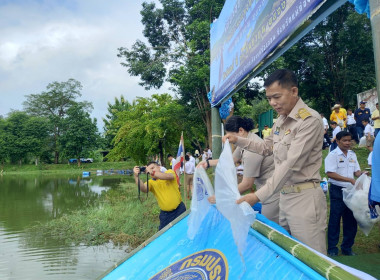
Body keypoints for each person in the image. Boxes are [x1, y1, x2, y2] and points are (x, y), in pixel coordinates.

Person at [224, 69, 327, 254]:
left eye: (276, 97)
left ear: (294, 91)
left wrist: (257, 196)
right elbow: (265, 148)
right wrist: (238, 140)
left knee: (311, 258)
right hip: (283, 197)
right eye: (269, 98)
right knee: (285, 254)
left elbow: (290, 164)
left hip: (304, 199)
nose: (272, 103)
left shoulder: (309, 121)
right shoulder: (280, 120)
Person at [199, 116, 279, 224]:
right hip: (265, 188)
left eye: (229, 137)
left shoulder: (252, 151)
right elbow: (231, 160)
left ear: (241, 131)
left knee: (272, 225)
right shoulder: (244, 142)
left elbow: (247, 184)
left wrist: (222, 197)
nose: (229, 141)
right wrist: (207, 163)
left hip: (272, 191)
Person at [325, 131, 364, 256]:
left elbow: (356, 171)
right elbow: (330, 173)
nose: (348, 143)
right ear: (337, 141)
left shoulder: (352, 154)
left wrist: (361, 174)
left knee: (351, 220)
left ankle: (347, 248)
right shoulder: (333, 155)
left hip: (351, 191)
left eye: (349, 140)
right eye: (345, 141)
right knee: (335, 219)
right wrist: (349, 179)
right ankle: (332, 249)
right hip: (337, 190)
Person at [133, 162, 186, 230]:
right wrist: (136, 176)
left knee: (182, 230)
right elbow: (143, 188)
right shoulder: (151, 182)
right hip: (165, 214)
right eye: (149, 170)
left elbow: (168, 176)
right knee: (164, 234)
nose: (150, 170)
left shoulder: (169, 172)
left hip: (179, 209)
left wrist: (152, 172)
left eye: (153, 168)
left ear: (159, 167)